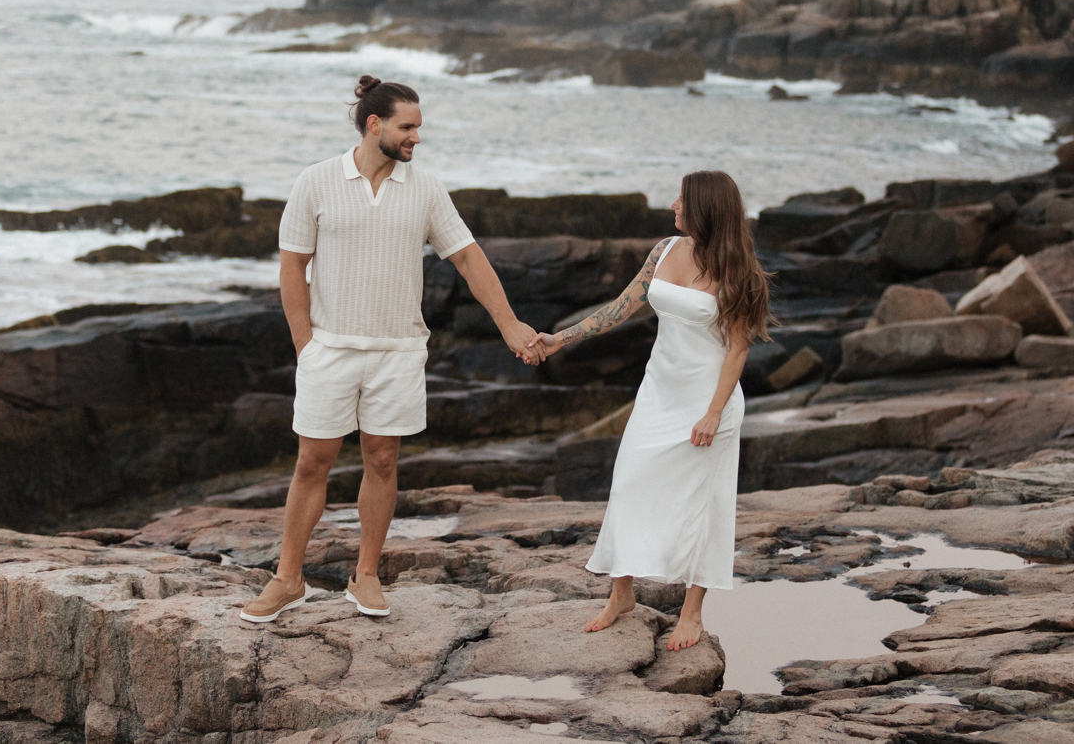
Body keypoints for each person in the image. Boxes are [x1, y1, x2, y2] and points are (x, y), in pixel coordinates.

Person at [240, 75, 543, 625]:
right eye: (408, 127)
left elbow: (468, 258)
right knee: (312, 462)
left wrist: (509, 325)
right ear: (374, 124)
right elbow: (292, 266)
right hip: (330, 350)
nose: (416, 138)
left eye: (418, 128)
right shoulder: (316, 181)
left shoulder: (425, 189)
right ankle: (287, 579)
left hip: (399, 351)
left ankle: (367, 574)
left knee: (382, 459)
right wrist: (305, 344)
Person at [534, 170, 772, 651]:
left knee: (704, 504)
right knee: (629, 485)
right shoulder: (664, 250)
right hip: (658, 395)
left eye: (682, 199)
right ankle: (621, 594)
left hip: (709, 401)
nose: (673, 206)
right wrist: (560, 339)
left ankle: (692, 613)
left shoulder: (739, 271)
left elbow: (738, 349)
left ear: (704, 206)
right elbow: (620, 308)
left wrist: (713, 412)